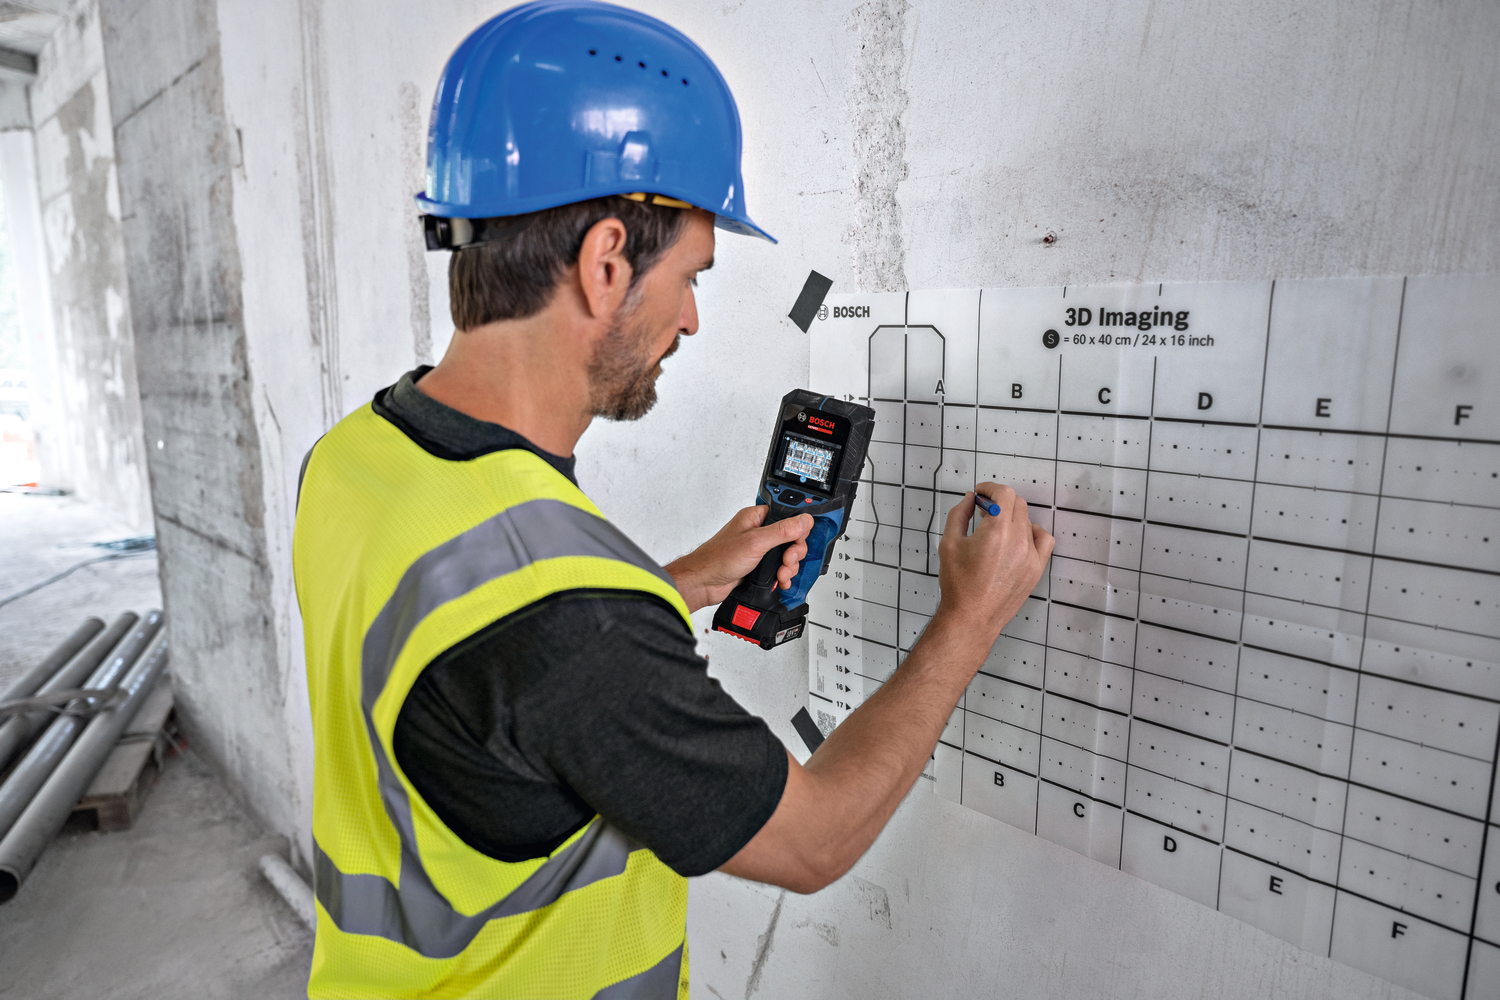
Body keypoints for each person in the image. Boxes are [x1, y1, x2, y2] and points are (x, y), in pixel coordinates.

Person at [291, 3, 1055, 998]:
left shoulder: (354, 457)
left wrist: (675, 583)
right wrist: (969, 617)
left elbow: (483, 670)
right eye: (691, 275)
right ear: (606, 261)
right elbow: (815, 840)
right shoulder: (572, 619)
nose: (691, 319)